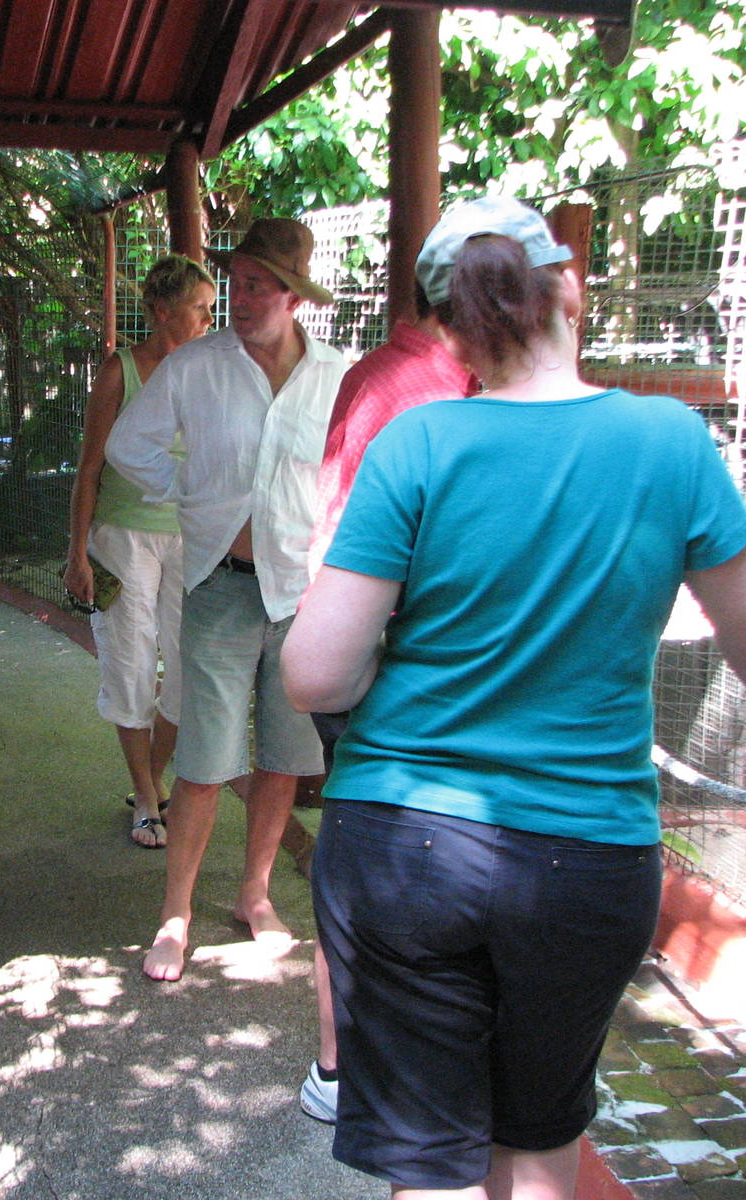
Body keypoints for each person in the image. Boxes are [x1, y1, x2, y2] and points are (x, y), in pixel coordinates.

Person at [282, 196, 746, 1198]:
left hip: (402, 842)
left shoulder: (419, 444)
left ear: (446, 327)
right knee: (537, 1142)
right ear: (566, 289)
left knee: (430, 1164)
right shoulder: (669, 441)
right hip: (581, 860)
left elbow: (314, 673)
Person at [107, 218, 347, 982]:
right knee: (206, 762)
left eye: (254, 286)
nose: (237, 299)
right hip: (218, 582)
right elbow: (127, 445)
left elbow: (355, 473)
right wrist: (190, 493)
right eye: (233, 282)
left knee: (284, 754)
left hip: (301, 594)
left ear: (292, 296)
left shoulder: (336, 376)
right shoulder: (195, 367)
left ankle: (255, 894)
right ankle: (175, 915)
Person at [298, 283, 478, 1125]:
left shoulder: (393, 373)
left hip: (371, 656)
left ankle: (347, 1066)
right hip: (389, 662)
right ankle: (345, 1068)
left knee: (372, 853)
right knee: (375, 862)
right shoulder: (426, 394)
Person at [64, 255, 216, 848]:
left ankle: (149, 780)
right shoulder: (121, 371)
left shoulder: (208, 372)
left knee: (186, 667)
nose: (211, 317)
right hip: (121, 536)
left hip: (192, 537)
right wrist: (78, 553)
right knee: (129, 662)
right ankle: (148, 798)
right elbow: (90, 468)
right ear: (161, 312)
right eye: (200, 307)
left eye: (211, 306)